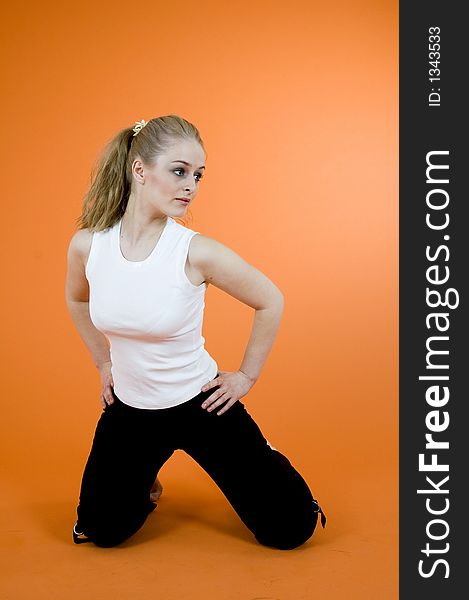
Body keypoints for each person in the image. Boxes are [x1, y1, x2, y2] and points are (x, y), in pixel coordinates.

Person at [65, 114, 326, 550]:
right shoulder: (90, 245)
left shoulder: (195, 251)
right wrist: (104, 361)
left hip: (200, 404)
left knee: (290, 530)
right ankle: (145, 482)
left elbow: (270, 300)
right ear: (140, 169)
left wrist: (246, 376)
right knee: (102, 532)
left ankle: (262, 456)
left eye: (198, 175)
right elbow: (77, 300)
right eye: (179, 171)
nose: (191, 186)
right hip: (130, 409)